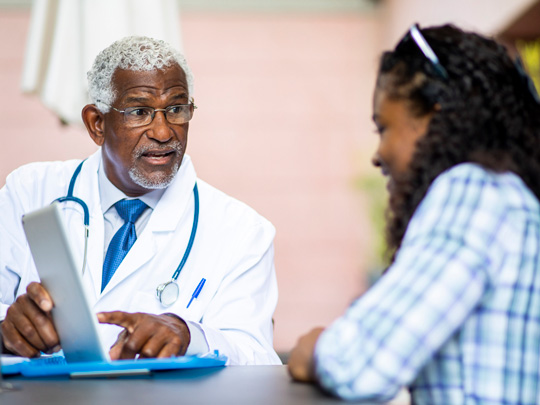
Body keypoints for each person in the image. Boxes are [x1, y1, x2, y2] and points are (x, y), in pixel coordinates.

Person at [288, 24, 540, 403]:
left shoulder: (474, 193)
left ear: (435, 119)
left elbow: (362, 365)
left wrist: (315, 348)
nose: (378, 154)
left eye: (384, 127)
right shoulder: (511, 196)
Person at [0, 36, 281, 365]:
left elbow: (259, 358)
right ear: (97, 123)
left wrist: (190, 335)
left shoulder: (244, 231)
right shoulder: (29, 191)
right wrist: (7, 330)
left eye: (176, 109)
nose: (163, 132)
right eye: (140, 111)